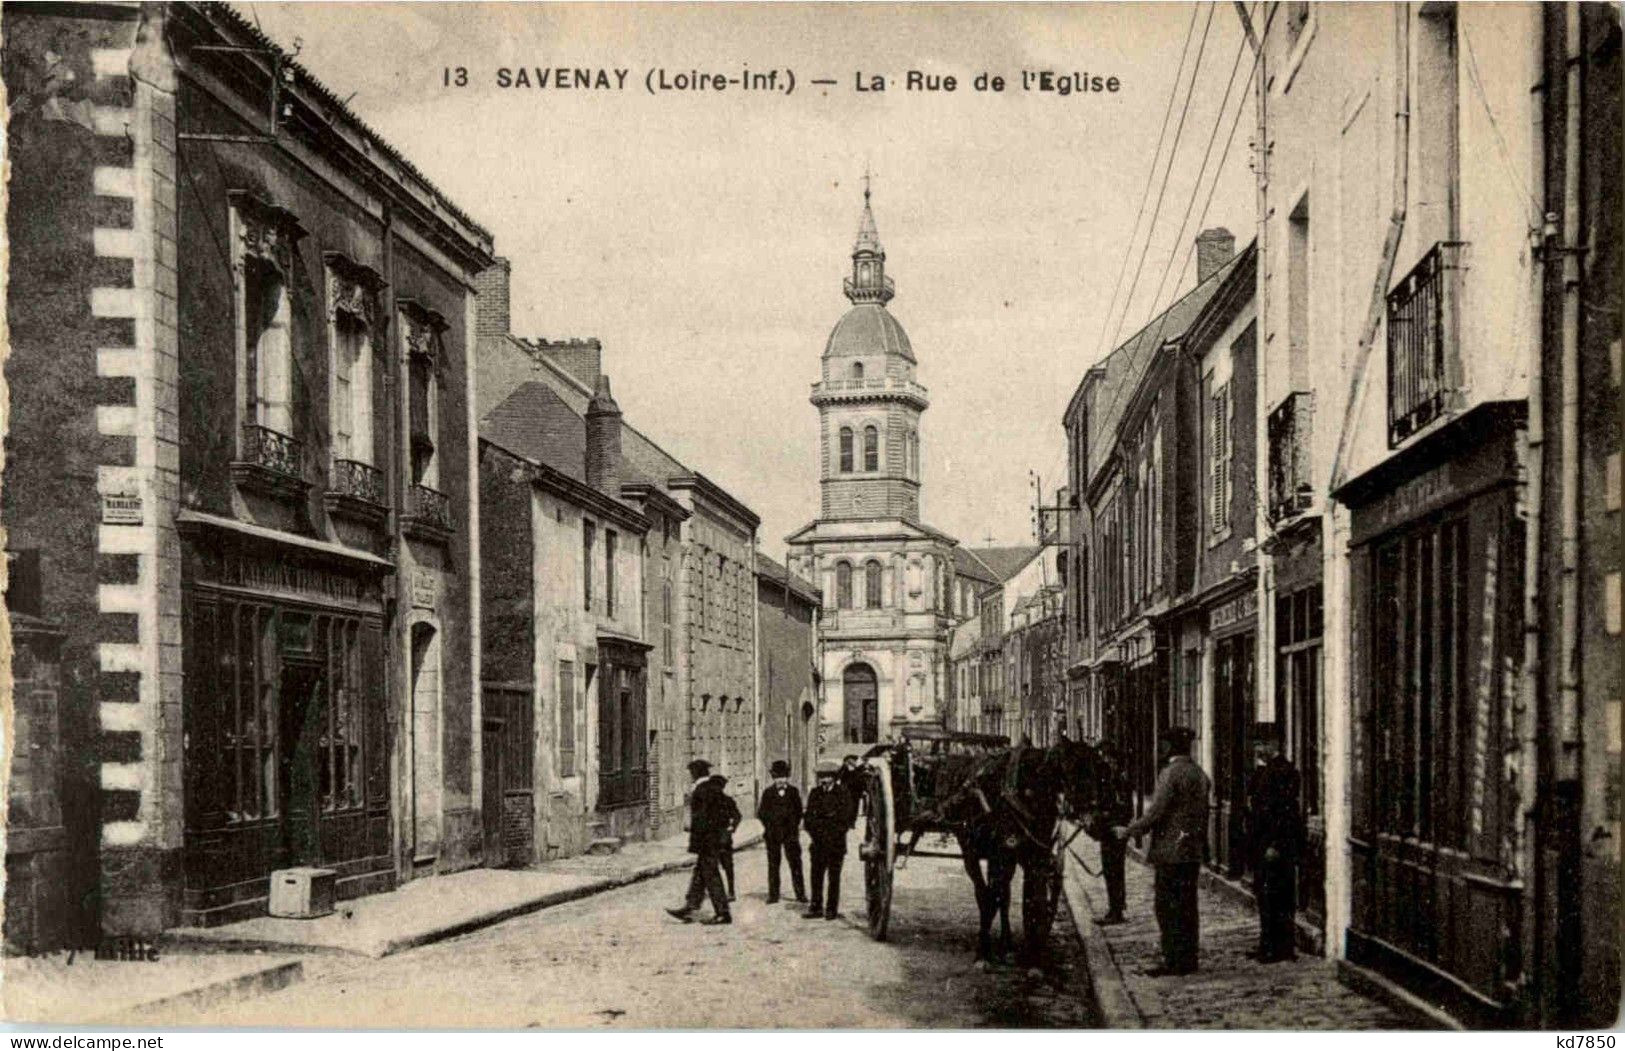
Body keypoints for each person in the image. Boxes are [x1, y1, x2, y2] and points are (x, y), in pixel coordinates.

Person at [1114, 726, 1210, 976]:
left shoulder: (1170, 774)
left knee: (1167, 907)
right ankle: (1189, 958)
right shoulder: (1199, 774)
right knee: (1188, 906)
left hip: (1171, 852)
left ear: (1169, 747)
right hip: (1191, 850)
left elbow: (1156, 812)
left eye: (1163, 744)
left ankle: (1173, 960)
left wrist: (1129, 830)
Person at [1246, 727, 1304, 963]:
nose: (1258, 749)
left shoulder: (1285, 772)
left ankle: (1281, 948)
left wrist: (1276, 844)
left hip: (1277, 846)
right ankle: (1267, 943)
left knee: (1279, 897)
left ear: (1275, 744)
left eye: (1262, 744)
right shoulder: (1264, 771)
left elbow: (1286, 813)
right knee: (1265, 896)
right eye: (1256, 744)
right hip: (1261, 843)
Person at [667, 760, 731, 925]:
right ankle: (690, 907)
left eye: (691, 773)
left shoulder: (702, 791)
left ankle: (723, 913)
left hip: (707, 841)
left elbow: (701, 820)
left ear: (695, 774)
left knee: (710, 875)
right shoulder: (714, 789)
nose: (690, 776)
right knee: (700, 874)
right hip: (714, 839)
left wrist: (698, 841)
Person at [1086, 743, 1133, 926]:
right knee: (1111, 870)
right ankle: (1116, 907)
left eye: (1105, 757)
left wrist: (1113, 822)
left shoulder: (1118, 779)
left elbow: (1123, 807)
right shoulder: (1110, 777)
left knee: (1113, 870)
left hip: (1115, 830)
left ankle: (1116, 910)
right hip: (1110, 830)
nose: (1104, 760)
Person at [803, 759, 850, 921]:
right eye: (821, 776)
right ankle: (815, 907)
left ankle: (831, 909)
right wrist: (816, 834)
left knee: (833, 878)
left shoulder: (843, 793)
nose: (823, 780)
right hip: (818, 844)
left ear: (834, 777)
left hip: (836, 844)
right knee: (816, 876)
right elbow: (808, 818)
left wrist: (832, 833)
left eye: (827, 776)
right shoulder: (815, 793)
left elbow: (846, 819)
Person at [758, 759, 807, 904]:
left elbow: (798, 811)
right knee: (773, 865)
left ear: (787, 777)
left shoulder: (793, 792)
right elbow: (761, 813)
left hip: (790, 834)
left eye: (783, 776)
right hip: (773, 835)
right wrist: (770, 825)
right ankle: (773, 895)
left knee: (796, 864)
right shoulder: (768, 793)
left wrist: (792, 826)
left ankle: (800, 894)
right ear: (773, 777)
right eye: (778, 777)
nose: (780, 780)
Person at [713, 774, 743, 901]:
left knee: (728, 866)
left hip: (724, 838)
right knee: (710, 867)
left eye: (718, 787)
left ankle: (731, 891)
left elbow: (737, 816)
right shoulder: (708, 802)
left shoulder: (728, 801)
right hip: (711, 838)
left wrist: (732, 827)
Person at [838, 755, 865, 819]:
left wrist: (862, 790)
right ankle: (848, 821)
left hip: (856, 792)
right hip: (847, 792)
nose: (854, 762)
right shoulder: (844, 770)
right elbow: (839, 776)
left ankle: (852, 821)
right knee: (848, 806)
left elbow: (861, 780)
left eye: (854, 761)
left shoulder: (857, 770)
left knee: (855, 807)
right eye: (852, 761)